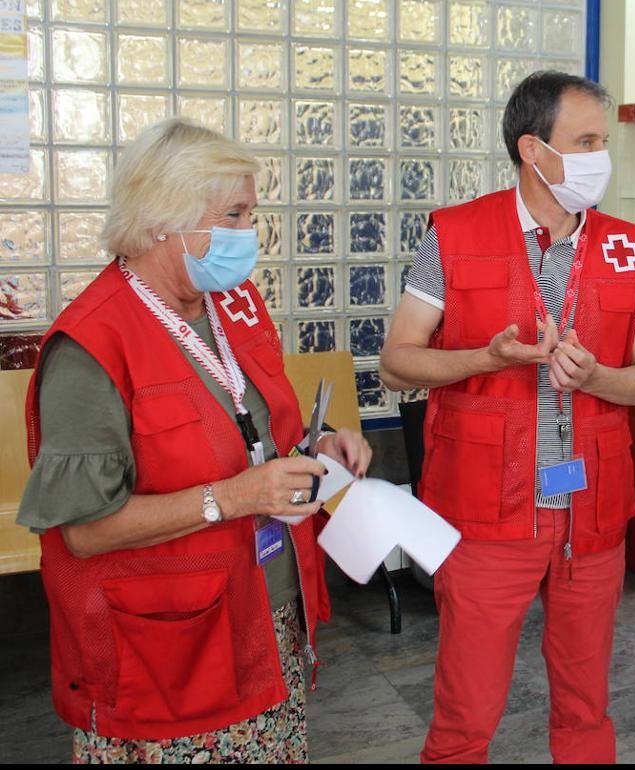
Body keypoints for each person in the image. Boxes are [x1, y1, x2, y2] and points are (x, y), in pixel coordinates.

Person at [17, 118, 372, 763]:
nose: (249, 236)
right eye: (233, 215)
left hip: (264, 620)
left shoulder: (230, 305)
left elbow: (256, 437)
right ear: (163, 220)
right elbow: (84, 531)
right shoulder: (93, 347)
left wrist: (319, 452)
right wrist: (231, 499)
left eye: (250, 215)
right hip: (169, 659)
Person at [379, 71, 635, 764]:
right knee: (465, 715)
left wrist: (598, 376)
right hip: (484, 514)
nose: (602, 156)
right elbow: (395, 364)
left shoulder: (627, 246)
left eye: (604, 140)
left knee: (585, 707)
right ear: (533, 150)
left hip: (589, 516)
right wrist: (484, 358)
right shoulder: (454, 235)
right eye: (586, 141)